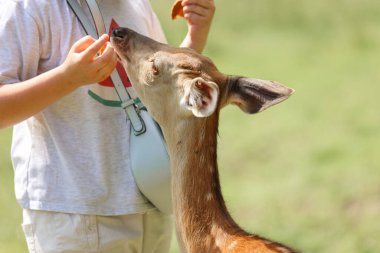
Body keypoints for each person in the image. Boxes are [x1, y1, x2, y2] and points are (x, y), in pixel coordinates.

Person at [0, 0, 215, 252]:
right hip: (76, 214)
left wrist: (195, 34)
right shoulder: (28, 7)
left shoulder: (136, 5)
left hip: (152, 201)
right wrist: (67, 78)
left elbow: (162, 87)